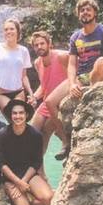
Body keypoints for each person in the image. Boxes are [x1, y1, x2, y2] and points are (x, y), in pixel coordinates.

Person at [0, 99, 53, 205]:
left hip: (28, 174)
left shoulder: (35, 135)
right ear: (10, 115)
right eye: (14, 113)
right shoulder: (2, 134)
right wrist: (17, 182)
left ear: (26, 115)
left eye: (21, 113)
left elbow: (36, 162)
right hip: (11, 178)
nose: (18, 116)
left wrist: (24, 181)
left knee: (47, 198)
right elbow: (1, 164)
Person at [0, 18, 35, 115]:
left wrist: (31, 93)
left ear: (17, 31)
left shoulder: (23, 50)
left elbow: (24, 76)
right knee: (11, 117)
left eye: (11, 29)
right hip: (1, 93)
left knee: (19, 119)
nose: (8, 31)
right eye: (6, 29)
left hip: (18, 92)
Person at [30, 31, 70, 160]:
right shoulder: (37, 63)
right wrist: (34, 97)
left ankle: (65, 142)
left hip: (60, 102)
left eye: (42, 43)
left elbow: (74, 75)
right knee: (32, 133)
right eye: (36, 45)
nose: (39, 47)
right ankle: (35, 166)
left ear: (49, 44)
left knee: (46, 132)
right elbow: (43, 85)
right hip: (47, 101)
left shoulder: (62, 56)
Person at [67, 0, 103, 97]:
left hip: (101, 71)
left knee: (101, 61)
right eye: (82, 10)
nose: (85, 12)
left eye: (88, 9)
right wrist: (72, 84)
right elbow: (71, 64)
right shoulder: (75, 37)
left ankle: (91, 96)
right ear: (78, 15)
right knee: (52, 101)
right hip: (82, 76)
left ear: (95, 13)